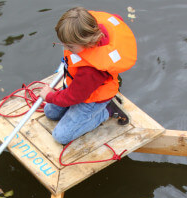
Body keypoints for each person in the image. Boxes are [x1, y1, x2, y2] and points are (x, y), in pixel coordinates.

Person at [39, 7, 137, 145]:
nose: (66, 49)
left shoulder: (91, 70)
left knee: (61, 136)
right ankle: (81, 112)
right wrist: (53, 99)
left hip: (92, 100)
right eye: (64, 44)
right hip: (80, 88)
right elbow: (117, 17)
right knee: (50, 113)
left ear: (88, 43)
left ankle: (107, 111)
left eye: (70, 46)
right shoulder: (89, 34)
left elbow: (74, 96)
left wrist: (49, 96)